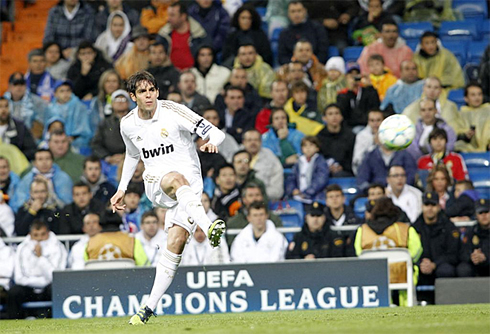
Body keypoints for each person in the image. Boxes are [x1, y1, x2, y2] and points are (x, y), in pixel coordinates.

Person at [109, 71, 226, 325]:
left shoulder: (174, 111)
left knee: (176, 242)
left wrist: (210, 142)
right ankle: (208, 228)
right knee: (174, 177)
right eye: (142, 91)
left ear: (157, 91)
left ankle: (148, 308)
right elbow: (131, 155)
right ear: (133, 96)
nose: (148, 95)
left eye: (152, 89)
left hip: (191, 187)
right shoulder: (128, 124)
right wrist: (122, 187)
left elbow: (216, 133)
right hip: (157, 182)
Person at [353, 197, 422, 306]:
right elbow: (416, 251)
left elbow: (359, 253)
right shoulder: (405, 229)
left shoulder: (363, 230)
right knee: (410, 269)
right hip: (401, 273)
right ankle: (407, 306)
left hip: (372, 275)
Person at [413, 191, 472, 304]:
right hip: (421, 266)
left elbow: (454, 254)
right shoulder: (415, 228)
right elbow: (410, 250)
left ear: (439, 207)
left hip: (441, 265)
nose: (430, 208)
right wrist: (421, 263)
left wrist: (434, 264)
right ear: (422, 207)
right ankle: (417, 301)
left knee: (446, 270)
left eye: (433, 205)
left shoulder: (449, 227)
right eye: (427, 205)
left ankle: (448, 301)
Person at [7, 221, 67, 319]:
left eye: (42, 235)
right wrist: (40, 282)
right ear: (30, 235)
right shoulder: (22, 248)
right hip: (28, 288)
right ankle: (15, 324)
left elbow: (57, 276)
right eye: (35, 235)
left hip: (48, 288)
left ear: (48, 233)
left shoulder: (58, 247)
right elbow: (19, 278)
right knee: (14, 292)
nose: (39, 239)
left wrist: (40, 258)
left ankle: (57, 322)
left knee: (56, 289)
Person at [11, 149, 73, 213]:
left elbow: (67, 205)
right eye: (40, 159)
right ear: (34, 163)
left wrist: (50, 189)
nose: (44, 162)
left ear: (52, 161)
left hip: (57, 215)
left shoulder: (63, 179)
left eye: (47, 159)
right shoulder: (26, 180)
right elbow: (19, 204)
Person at [157, 2, 210, 71]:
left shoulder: (199, 34)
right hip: (169, 73)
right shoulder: (163, 34)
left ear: (183, 16)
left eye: (172, 15)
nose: (168, 19)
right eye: (168, 15)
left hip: (194, 73)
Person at [44, 80, 93, 152]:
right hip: (54, 142)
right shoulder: (50, 108)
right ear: (55, 94)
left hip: (77, 145)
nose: (65, 94)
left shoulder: (79, 107)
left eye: (68, 91)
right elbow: (46, 130)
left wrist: (72, 139)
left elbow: (85, 132)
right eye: (62, 91)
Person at [278, 1, 328, 65]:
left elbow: (323, 52)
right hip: (293, 70)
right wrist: (295, 65)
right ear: (288, 14)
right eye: (293, 11)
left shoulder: (317, 28)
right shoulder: (284, 33)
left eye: (299, 11)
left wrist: (312, 64)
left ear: (305, 11)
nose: (296, 14)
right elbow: (282, 57)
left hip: (315, 66)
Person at [242, 129, 284, 201]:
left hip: (264, 200)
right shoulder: (237, 156)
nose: (253, 143)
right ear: (243, 142)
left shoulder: (270, 158)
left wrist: (256, 196)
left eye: (256, 140)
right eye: (249, 140)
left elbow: (277, 191)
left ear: (261, 142)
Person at [3, 72, 48, 139]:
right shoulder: (2, 103)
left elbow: (41, 124)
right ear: (9, 86)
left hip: (30, 139)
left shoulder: (37, 102)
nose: (19, 87)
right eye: (15, 84)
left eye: (22, 83)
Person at [91, 89, 131, 164]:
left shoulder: (137, 121)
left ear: (128, 103)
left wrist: (126, 156)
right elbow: (96, 145)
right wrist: (107, 157)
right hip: (109, 160)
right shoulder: (104, 123)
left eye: (123, 99)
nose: (120, 102)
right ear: (112, 104)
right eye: (117, 99)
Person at [316, 103, 356, 177]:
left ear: (341, 117)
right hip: (324, 171)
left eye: (337, 113)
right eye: (330, 114)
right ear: (324, 118)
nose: (334, 117)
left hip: (346, 171)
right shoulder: (319, 137)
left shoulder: (351, 136)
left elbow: (353, 157)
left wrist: (342, 167)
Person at [286, 136, 329, 204]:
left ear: (317, 148)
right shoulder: (299, 162)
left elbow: (320, 180)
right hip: (298, 196)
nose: (308, 148)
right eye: (305, 145)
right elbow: (291, 178)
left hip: (315, 197)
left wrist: (306, 193)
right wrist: (292, 190)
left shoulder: (320, 162)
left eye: (311, 145)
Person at [337, 63, 380, 129]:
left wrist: (370, 86)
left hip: (367, 125)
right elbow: (343, 113)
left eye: (356, 74)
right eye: (351, 75)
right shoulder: (342, 94)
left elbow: (376, 106)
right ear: (346, 77)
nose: (354, 77)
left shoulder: (367, 91)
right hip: (349, 127)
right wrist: (350, 91)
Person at [0, 97, 37, 161]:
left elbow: (31, 150)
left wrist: (16, 156)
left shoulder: (20, 127)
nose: (4, 110)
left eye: (6, 106)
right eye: (0, 107)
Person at [462, 199, 490, 277]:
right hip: (475, 266)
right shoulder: (471, 231)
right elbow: (463, 251)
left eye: (486, 212)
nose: (484, 215)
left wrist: (485, 258)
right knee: (463, 269)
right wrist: (472, 257)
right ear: (476, 215)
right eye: (480, 213)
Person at [352, 110, 384, 175]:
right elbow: (357, 160)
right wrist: (374, 143)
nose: (375, 123)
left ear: (383, 121)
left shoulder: (389, 135)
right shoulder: (361, 136)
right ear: (368, 121)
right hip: (366, 171)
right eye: (372, 120)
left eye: (378, 120)